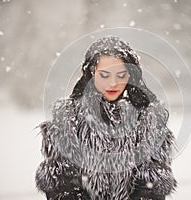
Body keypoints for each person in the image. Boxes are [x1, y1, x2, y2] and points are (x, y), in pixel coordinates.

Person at [35, 36, 177, 200]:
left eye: (121, 75)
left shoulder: (149, 118)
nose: (113, 83)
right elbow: (62, 185)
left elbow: (151, 187)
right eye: (104, 75)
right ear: (90, 73)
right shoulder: (67, 117)